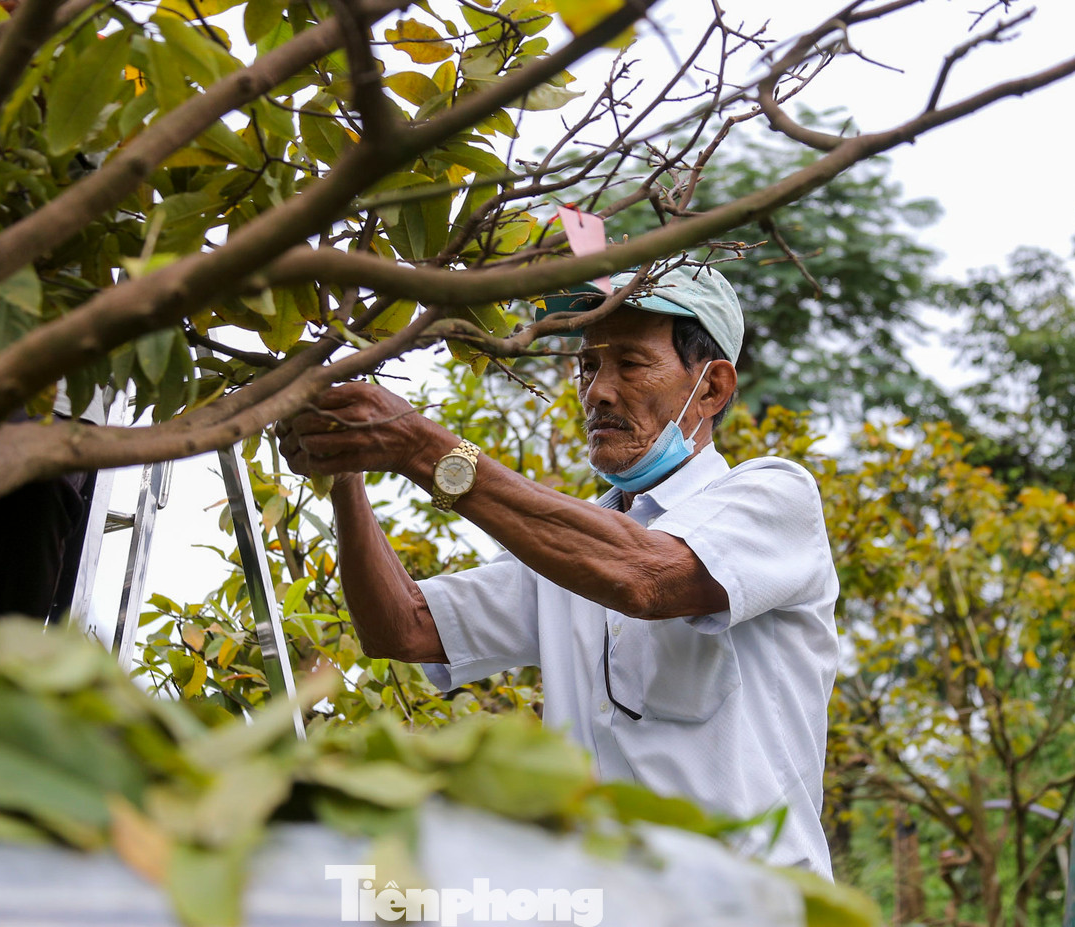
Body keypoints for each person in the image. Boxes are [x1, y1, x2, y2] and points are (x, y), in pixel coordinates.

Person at [276, 264, 840, 877]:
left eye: (629, 363)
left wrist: (420, 446)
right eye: (588, 366)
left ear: (711, 388)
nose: (598, 390)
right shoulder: (569, 549)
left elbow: (646, 577)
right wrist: (347, 474)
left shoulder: (774, 495)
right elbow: (404, 627)